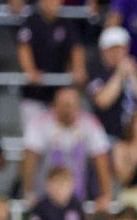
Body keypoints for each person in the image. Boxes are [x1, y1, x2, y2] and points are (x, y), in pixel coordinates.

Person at [21, 87, 113, 213]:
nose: (68, 109)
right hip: (45, 193)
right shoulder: (40, 123)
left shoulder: (90, 124)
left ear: (78, 106)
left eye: (71, 105)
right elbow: (29, 158)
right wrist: (29, 191)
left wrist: (106, 194)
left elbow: (101, 158)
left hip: (78, 193)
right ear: (55, 106)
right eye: (64, 105)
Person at [17, 0, 87, 131]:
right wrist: (30, 71)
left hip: (57, 94)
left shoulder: (65, 23)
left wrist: (78, 68)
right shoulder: (31, 21)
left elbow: (77, 48)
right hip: (33, 94)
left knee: (58, 137)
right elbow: (23, 47)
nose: (52, 3)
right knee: (32, 136)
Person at [87, 26, 137, 139]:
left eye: (121, 48)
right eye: (112, 49)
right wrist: (119, 74)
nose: (117, 53)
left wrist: (135, 76)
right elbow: (102, 101)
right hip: (106, 136)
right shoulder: (96, 71)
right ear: (103, 51)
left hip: (133, 137)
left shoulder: (135, 70)